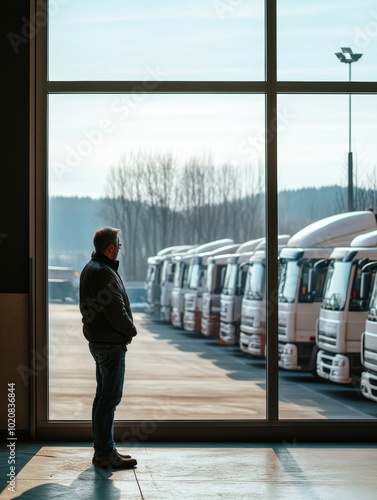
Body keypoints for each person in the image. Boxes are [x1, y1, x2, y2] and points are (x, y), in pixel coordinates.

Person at [79, 227, 138, 469]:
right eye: (119, 246)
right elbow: (116, 311)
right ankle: (104, 453)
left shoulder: (94, 268)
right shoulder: (103, 273)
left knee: (103, 397)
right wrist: (131, 331)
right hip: (109, 344)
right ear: (111, 247)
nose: (119, 249)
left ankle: (104, 449)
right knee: (110, 397)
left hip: (102, 342)